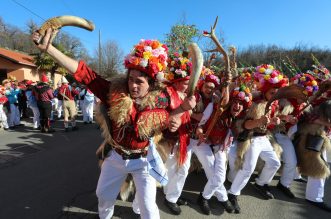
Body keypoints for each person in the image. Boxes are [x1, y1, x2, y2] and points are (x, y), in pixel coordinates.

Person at [32, 29, 196, 219]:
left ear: (151, 84)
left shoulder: (163, 100)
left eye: (139, 82)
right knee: (103, 196)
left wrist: (180, 112)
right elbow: (85, 74)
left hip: (143, 161)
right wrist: (49, 49)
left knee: (149, 208)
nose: (133, 86)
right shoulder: (114, 93)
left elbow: (171, 123)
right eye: (131, 80)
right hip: (116, 157)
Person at [227, 64, 286, 213]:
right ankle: (233, 194)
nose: (275, 95)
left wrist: (276, 121)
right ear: (266, 90)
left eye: (277, 92)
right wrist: (259, 122)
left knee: (274, 163)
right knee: (248, 168)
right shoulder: (254, 103)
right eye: (273, 92)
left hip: (264, 138)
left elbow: (270, 124)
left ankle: (260, 183)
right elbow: (243, 125)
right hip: (251, 138)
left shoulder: (274, 104)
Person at [195, 84, 252, 215]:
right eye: (235, 102)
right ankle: (223, 198)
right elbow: (200, 125)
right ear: (230, 102)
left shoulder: (238, 118)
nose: (237, 106)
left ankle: (203, 197)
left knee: (219, 177)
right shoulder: (214, 107)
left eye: (240, 104)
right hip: (203, 143)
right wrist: (200, 133)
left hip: (221, 147)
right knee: (213, 174)